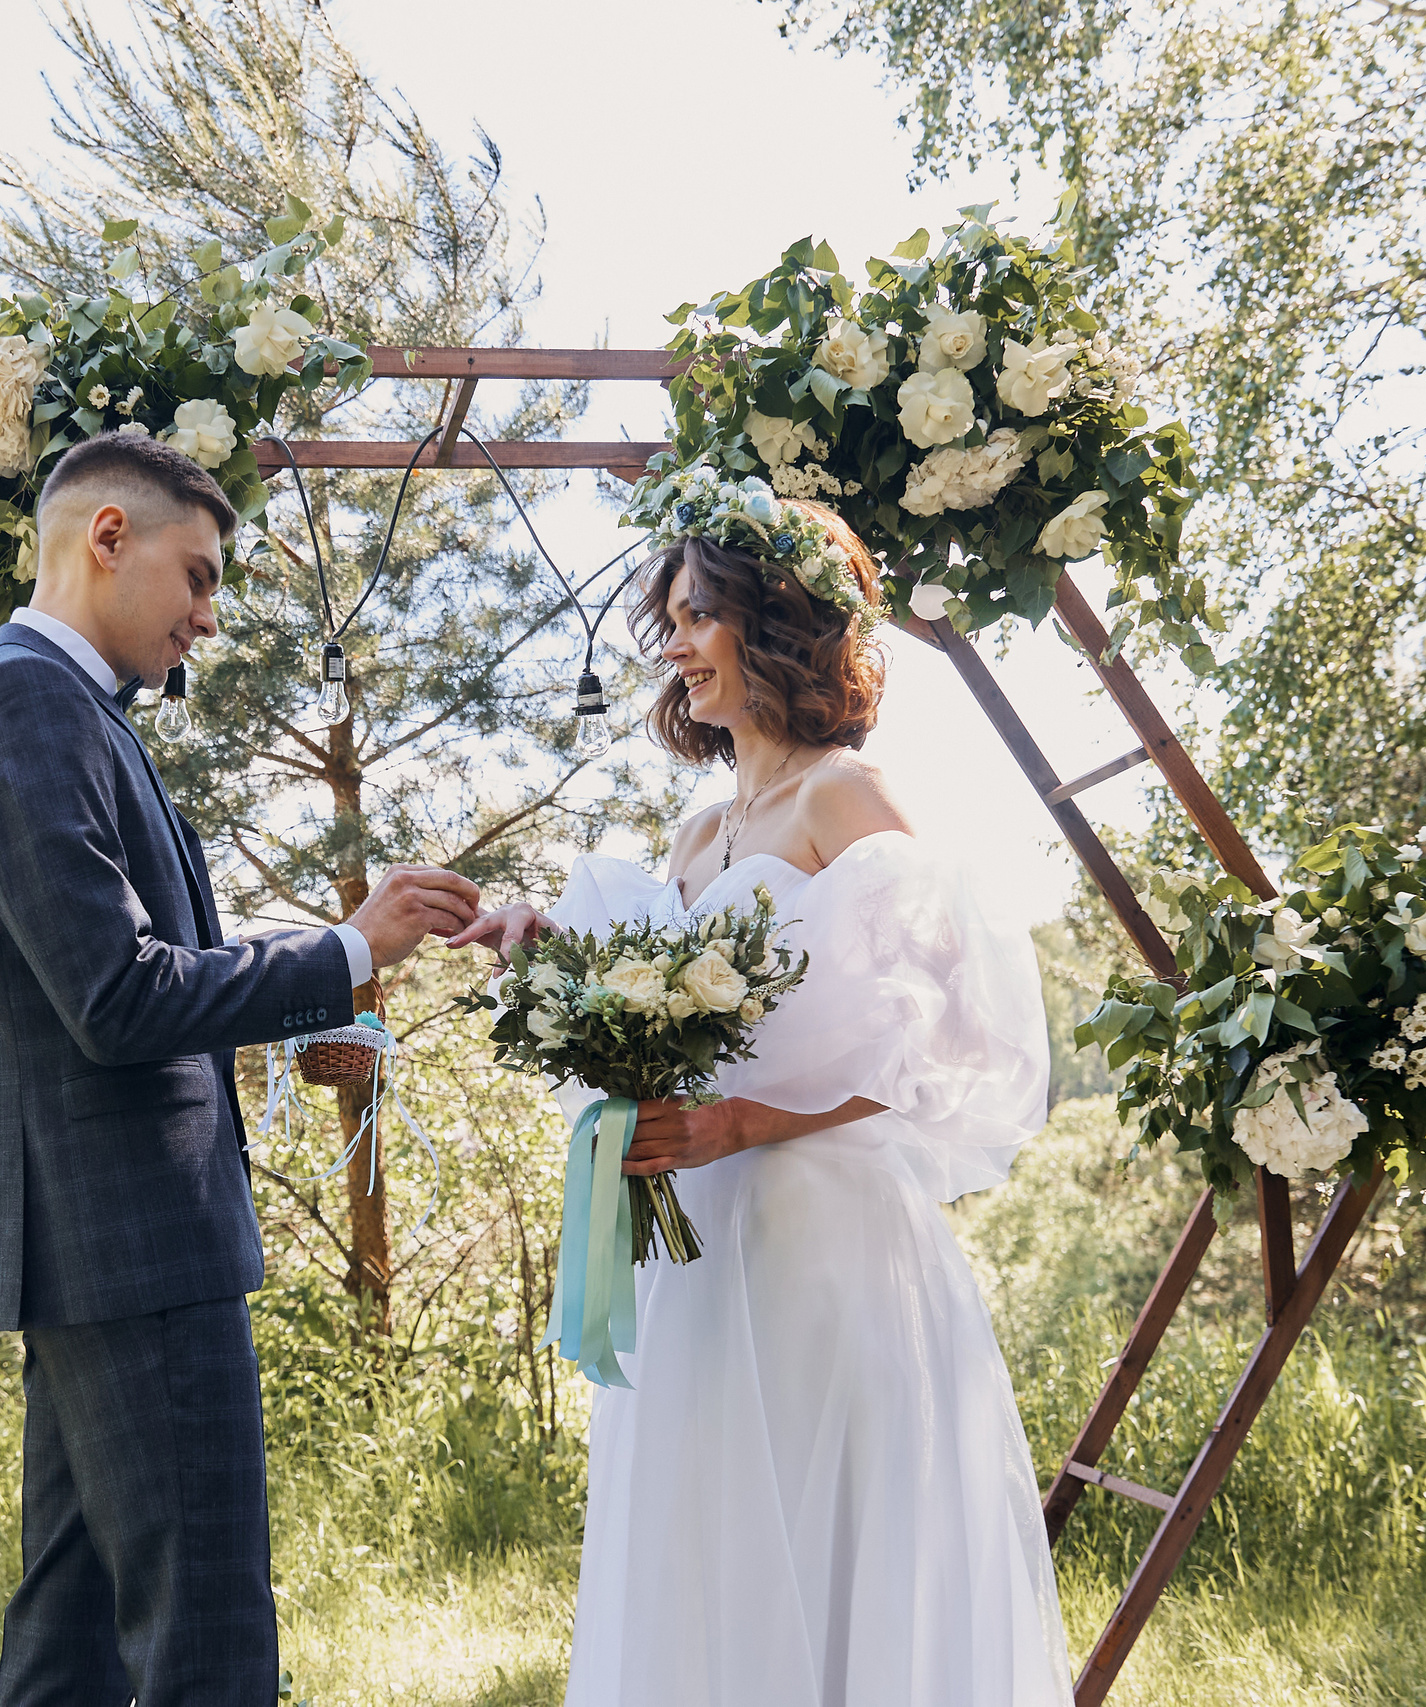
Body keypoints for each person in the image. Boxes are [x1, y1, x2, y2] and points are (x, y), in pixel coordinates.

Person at [448, 474, 1073, 1706]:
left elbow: (947, 1038)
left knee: (825, 1523)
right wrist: (539, 943)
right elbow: (664, 1004)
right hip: (699, 1245)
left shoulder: (848, 795)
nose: (674, 645)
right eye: (669, 619)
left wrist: (752, 1122)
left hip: (821, 1234)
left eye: (696, 616)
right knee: (707, 1531)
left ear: (775, 624)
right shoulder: (695, 832)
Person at [0, 431, 481, 1706]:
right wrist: (348, 943)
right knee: (205, 1632)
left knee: (70, 1637)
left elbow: (100, 988)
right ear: (107, 537)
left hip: (92, 1247)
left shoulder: (47, 710)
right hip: (133, 1242)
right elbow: (114, 996)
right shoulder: (24, 709)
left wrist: (287, 1019)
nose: (209, 619)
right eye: (200, 576)